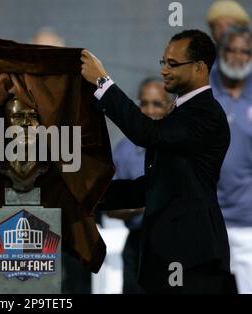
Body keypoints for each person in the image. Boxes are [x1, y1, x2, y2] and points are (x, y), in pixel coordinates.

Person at [81, 29, 231, 293]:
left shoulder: (206, 114)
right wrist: (85, 194)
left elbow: (147, 134)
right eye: (164, 62)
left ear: (199, 67)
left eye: (173, 64)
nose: (164, 70)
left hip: (192, 259)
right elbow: (151, 187)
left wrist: (103, 84)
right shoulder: (182, 113)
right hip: (163, 259)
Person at [108, 77, 173, 294]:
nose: (148, 110)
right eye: (143, 103)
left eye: (156, 104)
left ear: (170, 106)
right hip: (138, 244)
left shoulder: (183, 145)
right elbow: (111, 207)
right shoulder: (124, 149)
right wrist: (138, 206)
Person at [210, 25, 252, 294]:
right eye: (231, 50)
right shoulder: (201, 89)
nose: (237, 57)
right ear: (220, 52)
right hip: (210, 220)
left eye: (245, 52)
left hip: (249, 223)